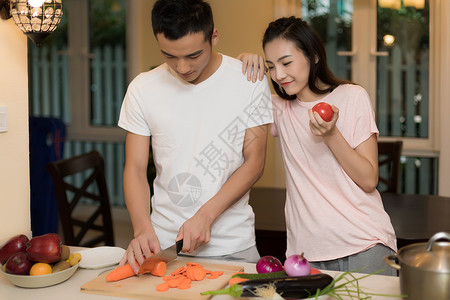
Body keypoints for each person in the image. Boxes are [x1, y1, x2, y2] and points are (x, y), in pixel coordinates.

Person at [118, 0, 273, 274]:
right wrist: (142, 229)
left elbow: (254, 162)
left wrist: (205, 216)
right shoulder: (142, 89)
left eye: (193, 56)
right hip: (163, 246)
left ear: (214, 36)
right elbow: (135, 168)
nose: (182, 67)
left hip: (233, 245)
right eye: (169, 56)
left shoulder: (250, 81)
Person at [262, 16, 397, 275]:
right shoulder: (278, 108)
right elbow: (230, 89)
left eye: (286, 62)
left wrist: (331, 134)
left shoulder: (351, 96)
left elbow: (369, 180)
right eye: (270, 66)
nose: (278, 75)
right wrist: (247, 62)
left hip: (364, 245)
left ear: (313, 56)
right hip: (304, 256)